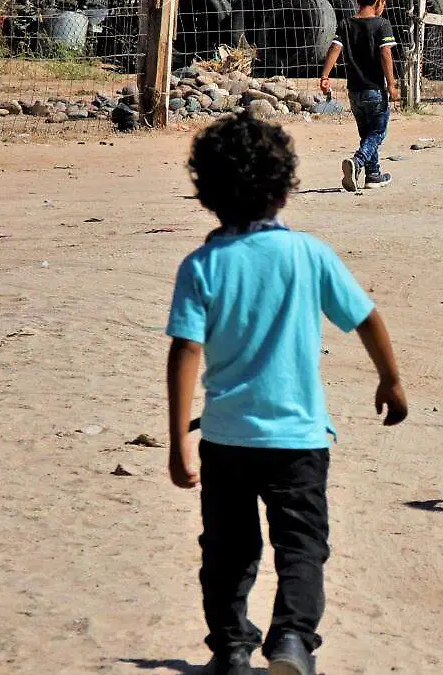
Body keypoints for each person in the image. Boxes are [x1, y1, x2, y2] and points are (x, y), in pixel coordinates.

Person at [166, 112, 409, 675]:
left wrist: (178, 439)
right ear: (285, 188)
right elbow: (367, 318)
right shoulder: (309, 254)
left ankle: (230, 649)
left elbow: (185, 351)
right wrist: (390, 380)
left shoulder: (201, 265)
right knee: (302, 546)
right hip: (299, 440)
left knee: (228, 553)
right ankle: (293, 642)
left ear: (207, 192)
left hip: (225, 440)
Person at [319, 0, 400, 192]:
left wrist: (325, 76)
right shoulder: (382, 24)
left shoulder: (346, 24)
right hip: (375, 91)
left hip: (354, 91)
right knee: (378, 132)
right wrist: (392, 85)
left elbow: (335, 48)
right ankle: (358, 162)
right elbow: (385, 52)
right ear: (379, 2)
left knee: (366, 134)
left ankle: (373, 174)